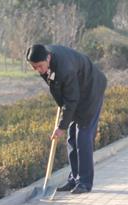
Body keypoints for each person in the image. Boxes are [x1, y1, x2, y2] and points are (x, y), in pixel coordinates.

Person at [26, 44, 107, 194]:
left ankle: (84, 182)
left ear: (48, 58)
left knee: (82, 136)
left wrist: (61, 126)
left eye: (39, 66)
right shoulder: (45, 60)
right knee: (71, 138)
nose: (38, 70)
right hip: (76, 91)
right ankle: (74, 179)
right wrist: (63, 113)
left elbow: (71, 99)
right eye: (34, 67)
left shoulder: (65, 69)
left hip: (90, 91)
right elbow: (58, 88)